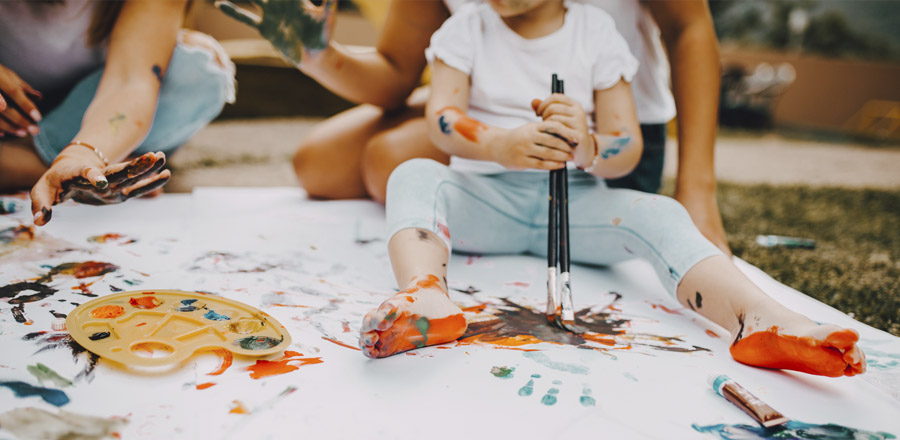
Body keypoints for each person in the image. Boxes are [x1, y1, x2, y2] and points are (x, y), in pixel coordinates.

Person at [357, 0, 864, 380]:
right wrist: (499, 144)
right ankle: (425, 295)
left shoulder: (595, 33)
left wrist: (588, 143)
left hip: (580, 205)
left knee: (661, 213)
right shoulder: (463, 28)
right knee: (413, 174)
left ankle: (760, 320)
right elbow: (443, 119)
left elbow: (627, 146)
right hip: (488, 200)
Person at [216, 0, 729, 255]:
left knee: (386, 160)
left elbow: (690, 29)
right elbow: (396, 71)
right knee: (317, 164)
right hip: (488, 104)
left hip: (597, 137)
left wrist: (697, 192)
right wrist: (316, 54)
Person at [0, 0, 236, 226]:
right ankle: (33, 168)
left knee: (198, 68)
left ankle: (26, 164)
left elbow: (132, 81)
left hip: (88, 117)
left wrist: (83, 156)